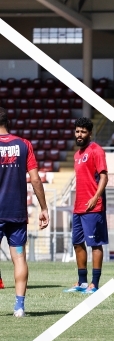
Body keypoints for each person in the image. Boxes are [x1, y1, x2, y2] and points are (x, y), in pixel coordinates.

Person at [0, 107, 50, 317]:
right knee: (19, 258)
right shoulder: (23, 144)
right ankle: (19, 307)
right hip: (17, 212)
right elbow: (36, 178)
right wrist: (44, 207)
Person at [63, 117, 108, 295]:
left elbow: (104, 177)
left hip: (93, 207)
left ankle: (94, 284)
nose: (79, 134)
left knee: (95, 244)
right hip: (78, 207)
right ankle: (82, 282)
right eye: (77, 131)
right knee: (77, 243)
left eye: (83, 131)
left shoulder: (97, 151)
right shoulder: (77, 155)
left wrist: (95, 197)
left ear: (89, 133)